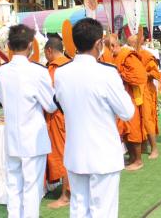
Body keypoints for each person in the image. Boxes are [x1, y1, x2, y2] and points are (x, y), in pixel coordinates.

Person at [54, 18, 134, 218]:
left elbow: (61, 104)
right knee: (103, 211)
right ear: (99, 44)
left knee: (79, 209)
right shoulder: (107, 73)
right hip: (103, 153)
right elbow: (127, 112)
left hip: (76, 152)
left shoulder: (61, 73)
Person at [0, 24, 57, 217]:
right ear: (31, 45)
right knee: (32, 188)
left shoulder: (2, 71)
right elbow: (51, 105)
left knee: (14, 185)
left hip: (12, 136)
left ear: (9, 46)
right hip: (32, 138)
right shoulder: (37, 71)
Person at [107, 34, 148, 171]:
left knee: (133, 128)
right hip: (117, 97)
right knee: (124, 130)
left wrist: (121, 75)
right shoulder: (111, 57)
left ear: (114, 45)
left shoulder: (127, 55)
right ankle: (131, 157)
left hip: (130, 96)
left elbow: (140, 76)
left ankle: (138, 160)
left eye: (107, 47)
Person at [43, 37, 71, 209]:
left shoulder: (55, 69)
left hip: (59, 116)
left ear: (49, 51)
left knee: (63, 154)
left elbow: (50, 96)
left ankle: (66, 194)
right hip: (73, 115)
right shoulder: (71, 64)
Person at [127, 34, 161, 159]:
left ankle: (154, 148)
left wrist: (142, 73)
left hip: (146, 89)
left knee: (147, 119)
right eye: (128, 43)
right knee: (136, 119)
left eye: (132, 43)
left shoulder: (146, 55)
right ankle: (142, 146)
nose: (130, 46)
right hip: (134, 89)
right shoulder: (129, 56)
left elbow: (155, 73)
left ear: (139, 43)